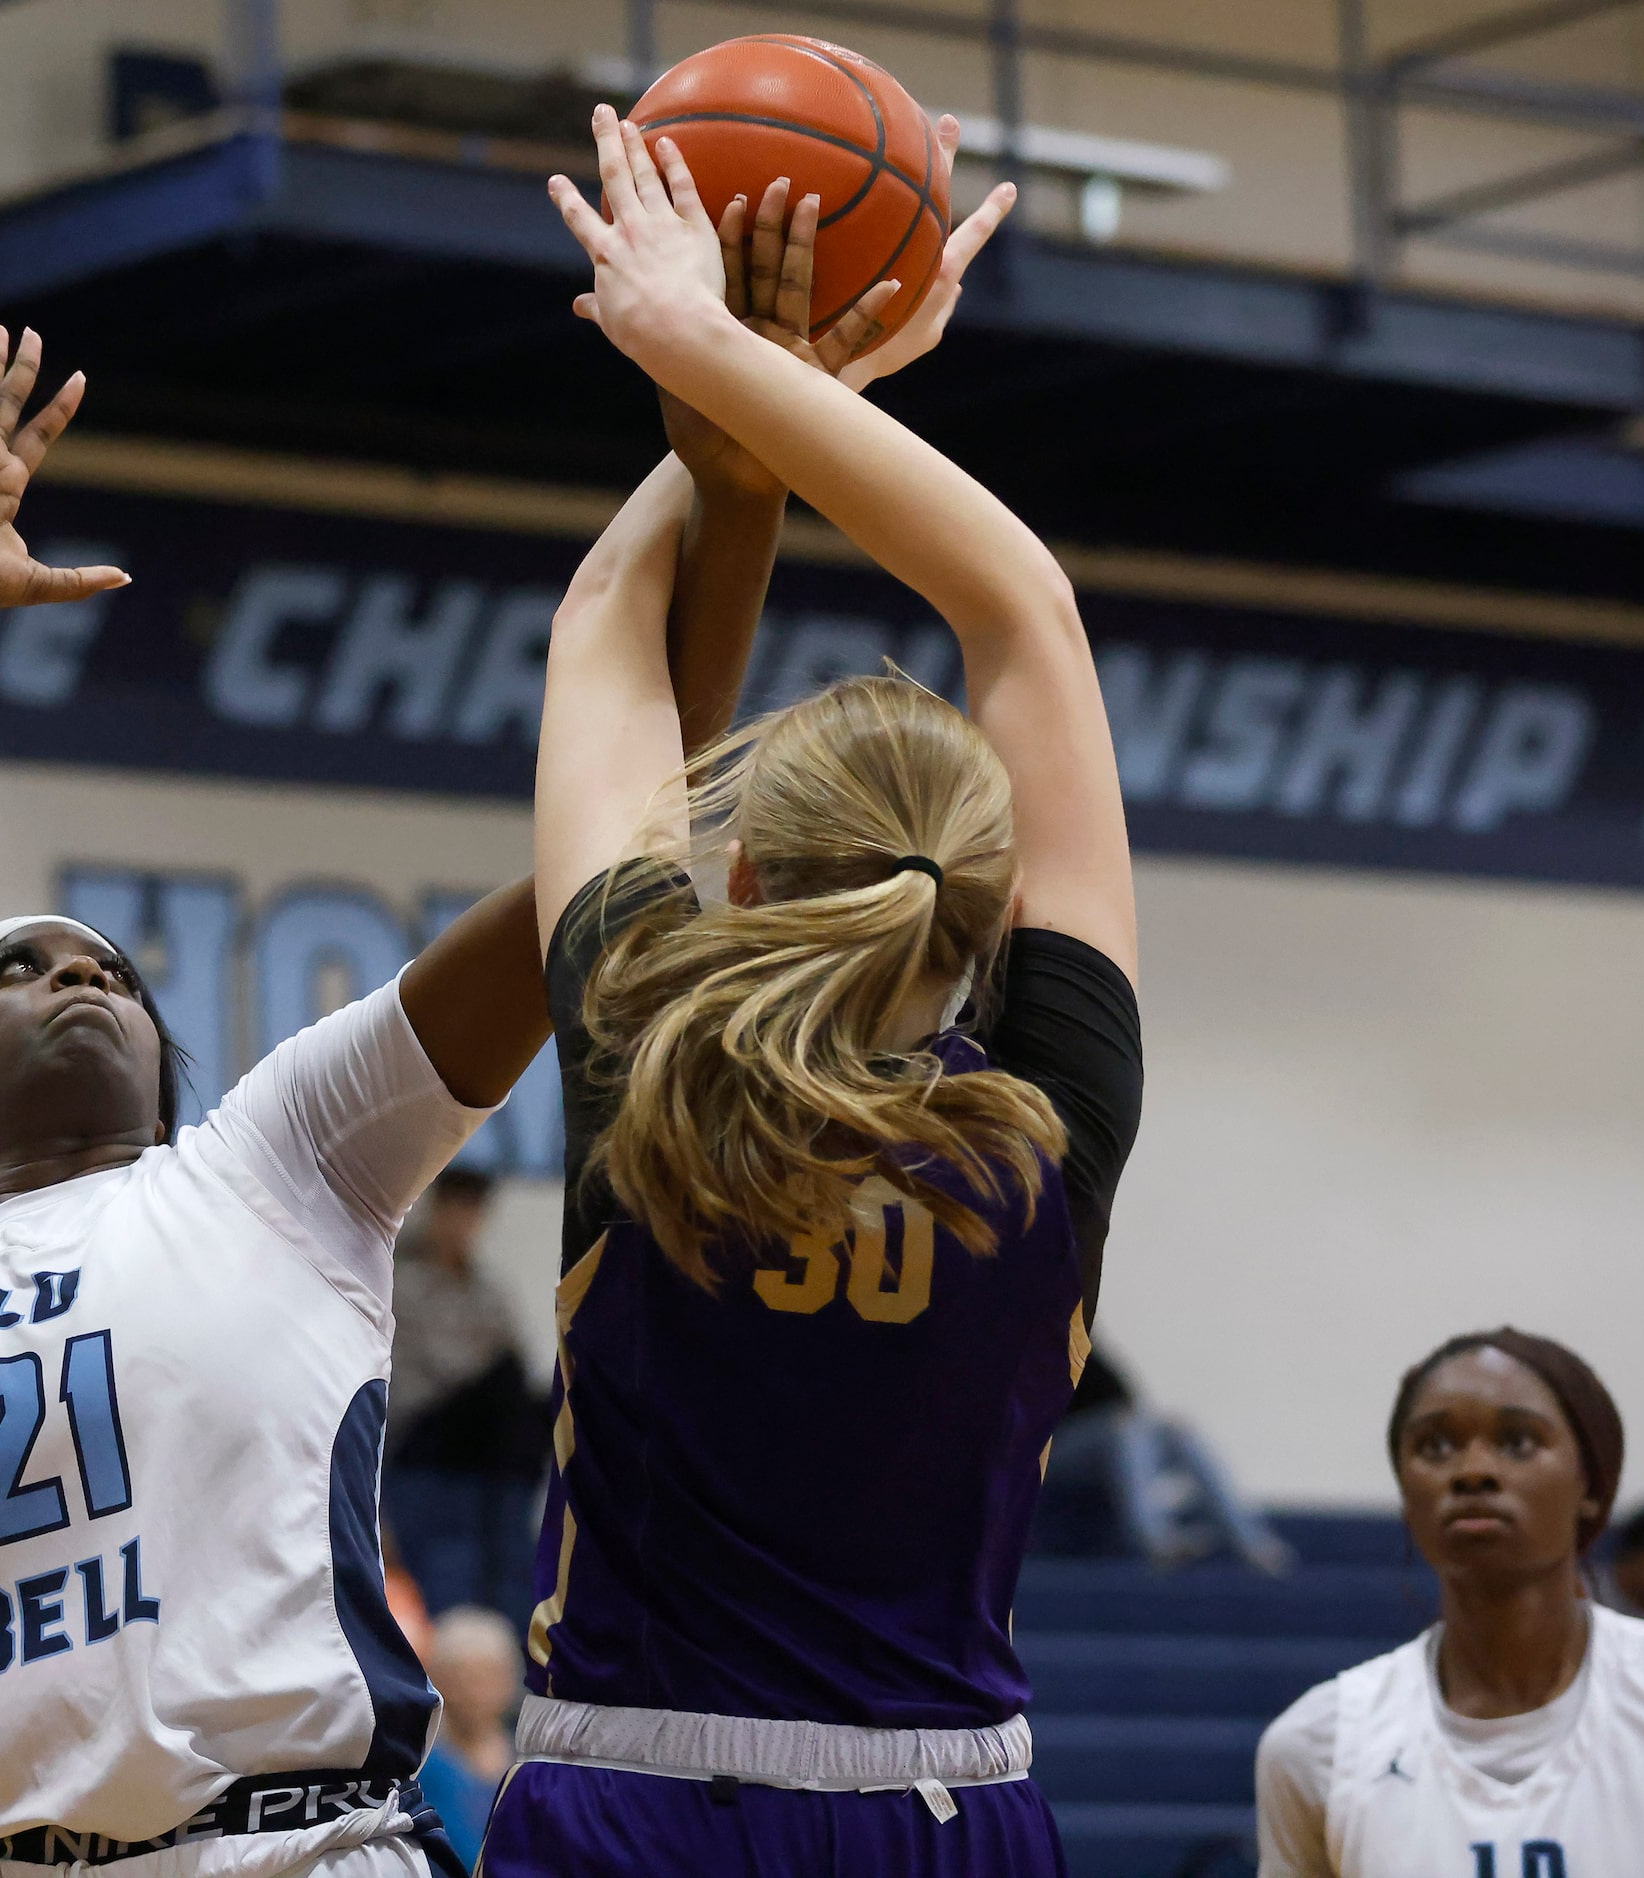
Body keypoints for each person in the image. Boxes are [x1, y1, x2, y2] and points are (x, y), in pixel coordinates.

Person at [0, 324, 590, 1873]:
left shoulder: (272, 1162)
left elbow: (583, 879)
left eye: (110, 975)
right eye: (20, 970)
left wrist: (723, 470)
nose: (80, 979)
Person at [477, 112, 1137, 1875]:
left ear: (742, 875)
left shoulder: (652, 1047)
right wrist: (757, 375)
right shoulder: (1050, 1121)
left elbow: (609, 622)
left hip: (639, 1800)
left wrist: (728, 386)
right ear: (993, 912)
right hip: (952, 1806)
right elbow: (1027, 612)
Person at [1256, 1330, 1644, 1875]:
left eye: (1518, 1441)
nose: (1472, 1470)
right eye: (1435, 1446)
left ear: (1590, 1483)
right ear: (1407, 1495)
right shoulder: (1319, 1745)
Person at [386, 1170, 545, 1628]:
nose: (464, 1221)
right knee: (447, 1593)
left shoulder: (487, 1289)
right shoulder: (402, 1281)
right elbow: (441, 1372)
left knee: (511, 1589)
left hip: (491, 1469)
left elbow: (517, 1360)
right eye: (457, 1207)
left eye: (474, 1210)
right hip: (427, 1462)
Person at [1036, 1343, 1294, 1574]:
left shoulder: (1081, 1345)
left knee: (1179, 1431)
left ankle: (1253, 1542)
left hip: (1107, 1442)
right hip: (1052, 1452)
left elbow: (1126, 1401)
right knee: (1123, 1430)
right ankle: (1157, 1541)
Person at [415, 1609, 522, 1871]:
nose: (471, 1691)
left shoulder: (528, 1761)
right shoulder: (423, 1767)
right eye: (458, 1676)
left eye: (485, 1676)